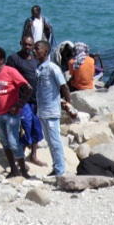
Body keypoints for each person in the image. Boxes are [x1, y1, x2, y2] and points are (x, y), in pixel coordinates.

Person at [0, 47, 33, 178]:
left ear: (1, 60)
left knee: (14, 142)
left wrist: (18, 105)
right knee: (5, 142)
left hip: (11, 115)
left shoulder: (10, 72)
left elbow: (28, 89)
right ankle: (13, 169)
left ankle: (23, 170)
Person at [33, 40, 76, 178]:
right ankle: (56, 167)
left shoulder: (52, 68)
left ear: (45, 52)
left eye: (37, 49)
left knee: (55, 141)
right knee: (50, 141)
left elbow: (64, 86)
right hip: (42, 111)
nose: (34, 51)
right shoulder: (39, 68)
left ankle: (60, 170)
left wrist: (68, 104)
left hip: (51, 111)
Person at [6, 34, 44, 165]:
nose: (27, 47)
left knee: (36, 128)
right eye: (25, 44)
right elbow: (8, 78)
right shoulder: (14, 59)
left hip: (36, 100)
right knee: (25, 128)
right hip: (22, 101)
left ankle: (33, 156)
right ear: (20, 43)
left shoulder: (35, 60)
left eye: (30, 45)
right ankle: (20, 158)